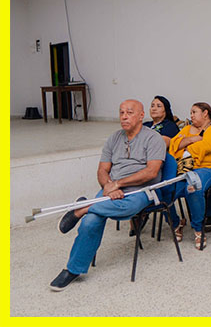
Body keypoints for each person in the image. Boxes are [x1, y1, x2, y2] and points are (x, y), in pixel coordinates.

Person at [50, 100, 165, 291]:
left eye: (129, 112)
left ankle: (82, 208)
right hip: (112, 187)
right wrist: (108, 186)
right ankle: (73, 269)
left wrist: (119, 183)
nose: (124, 116)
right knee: (90, 222)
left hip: (142, 189)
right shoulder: (114, 138)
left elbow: (151, 172)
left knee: (127, 207)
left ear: (141, 116)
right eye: (121, 113)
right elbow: (102, 170)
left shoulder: (153, 138)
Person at [168, 102, 211, 249]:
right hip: (185, 169)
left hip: (209, 169)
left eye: (194, 112)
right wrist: (192, 139)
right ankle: (176, 223)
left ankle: (198, 229)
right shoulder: (187, 129)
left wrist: (184, 147)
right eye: (191, 113)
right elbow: (173, 145)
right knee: (165, 190)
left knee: (193, 186)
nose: (191, 116)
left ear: (205, 113)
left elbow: (206, 146)